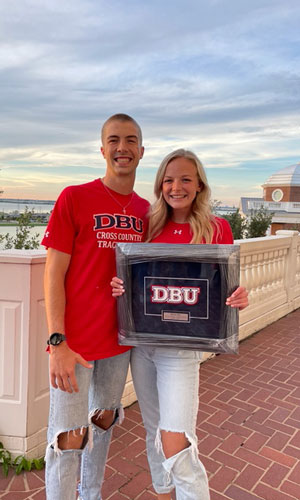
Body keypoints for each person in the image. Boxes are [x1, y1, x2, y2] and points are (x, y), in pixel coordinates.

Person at [112, 149, 248, 500]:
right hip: (143, 346)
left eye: (185, 179)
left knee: (177, 439)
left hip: (181, 352)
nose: (176, 187)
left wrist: (239, 297)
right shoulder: (148, 224)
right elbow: (137, 279)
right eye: (169, 180)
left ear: (199, 184)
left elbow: (225, 290)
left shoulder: (217, 228)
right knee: (153, 430)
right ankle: (163, 493)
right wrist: (121, 287)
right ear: (160, 185)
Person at [42, 114, 150, 500]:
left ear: (141, 150)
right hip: (76, 343)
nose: (123, 148)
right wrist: (58, 341)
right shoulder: (75, 197)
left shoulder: (146, 211)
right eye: (114, 140)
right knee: (68, 437)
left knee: (103, 423)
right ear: (102, 148)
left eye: (131, 140)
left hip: (120, 342)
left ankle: (91, 493)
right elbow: (53, 274)